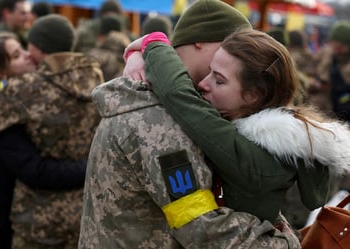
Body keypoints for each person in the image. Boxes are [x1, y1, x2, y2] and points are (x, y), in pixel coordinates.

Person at [79, 0, 301, 248]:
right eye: (230, 47)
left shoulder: (167, 104)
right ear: (199, 41)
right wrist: (286, 243)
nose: (237, 59)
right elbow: (203, 229)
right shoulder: (159, 119)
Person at [125, 27, 350, 228]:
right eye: (210, 71)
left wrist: (154, 43)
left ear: (253, 95)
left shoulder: (251, 155)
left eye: (219, 80)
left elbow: (179, 96)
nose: (203, 83)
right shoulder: (272, 143)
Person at [0, 14, 104, 249]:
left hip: (38, 219)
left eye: (26, 49)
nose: (27, 55)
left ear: (36, 47)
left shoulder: (18, 94)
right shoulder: (98, 79)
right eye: (16, 54)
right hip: (85, 213)